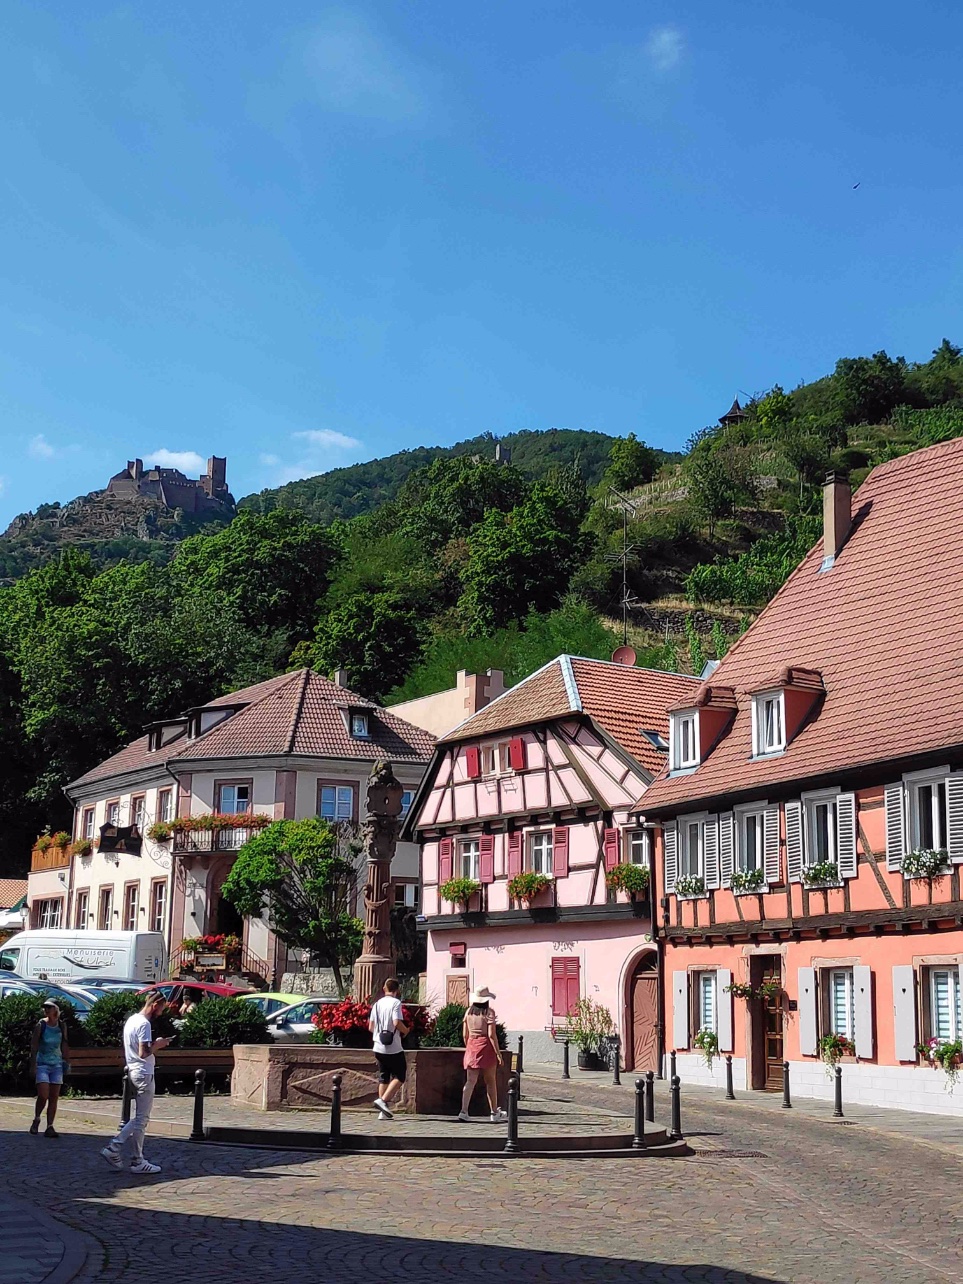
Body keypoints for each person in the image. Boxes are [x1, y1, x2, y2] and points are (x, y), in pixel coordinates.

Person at [100, 991, 174, 1175]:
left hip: (134, 1070)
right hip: (143, 1071)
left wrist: (153, 1044)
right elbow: (144, 1052)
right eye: (161, 1008)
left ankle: (122, 1151)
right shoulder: (144, 1024)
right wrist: (159, 1044)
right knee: (142, 1118)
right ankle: (131, 1157)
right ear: (155, 1005)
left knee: (140, 1117)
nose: (161, 1013)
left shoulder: (132, 1020)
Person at [458, 986, 507, 1123]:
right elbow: (491, 1035)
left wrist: (469, 1045)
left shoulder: (469, 1012)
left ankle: (464, 1111)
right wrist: (498, 1054)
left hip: (472, 1045)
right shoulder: (489, 1012)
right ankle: (494, 1112)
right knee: (490, 1081)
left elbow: (465, 1034)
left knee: (470, 1081)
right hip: (486, 1047)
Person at [368, 977, 409, 1120]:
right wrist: (406, 1031)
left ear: (384, 988)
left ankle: (383, 1112)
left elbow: (371, 1027)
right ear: (397, 990)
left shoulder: (377, 1004)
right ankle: (383, 1101)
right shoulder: (396, 1003)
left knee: (383, 1077)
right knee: (400, 1075)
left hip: (378, 1045)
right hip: (393, 1046)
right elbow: (396, 1022)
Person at [29, 999, 70, 1138]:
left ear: (55, 1010)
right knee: (43, 1095)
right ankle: (37, 1118)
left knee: (54, 1097)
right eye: (45, 1007)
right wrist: (33, 1064)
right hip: (43, 1064)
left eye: (49, 1007)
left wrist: (66, 1061)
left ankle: (50, 1126)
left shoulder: (61, 1025)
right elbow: (34, 1045)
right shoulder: (41, 1025)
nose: (46, 1010)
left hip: (57, 1064)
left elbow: (64, 1043)